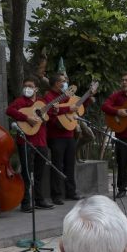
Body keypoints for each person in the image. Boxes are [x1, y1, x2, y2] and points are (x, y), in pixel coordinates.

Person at [6, 76, 53, 212]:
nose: (27, 88)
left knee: (39, 173)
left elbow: (48, 117)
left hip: (41, 141)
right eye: (25, 85)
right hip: (25, 141)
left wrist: (50, 113)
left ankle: (39, 200)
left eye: (30, 86)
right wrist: (26, 117)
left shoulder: (42, 102)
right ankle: (26, 202)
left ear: (36, 89)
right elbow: (9, 111)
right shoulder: (20, 101)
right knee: (27, 173)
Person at [44, 72, 87, 205]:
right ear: (57, 83)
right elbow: (49, 111)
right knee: (57, 165)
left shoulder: (69, 95)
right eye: (63, 80)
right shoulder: (48, 96)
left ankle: (71, 192)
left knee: (70, 164)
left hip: (69, 134)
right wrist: (68, 108)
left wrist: (88, 96)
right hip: (55, 135)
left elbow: (75, 107)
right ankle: (56, 195)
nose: (65, 82)